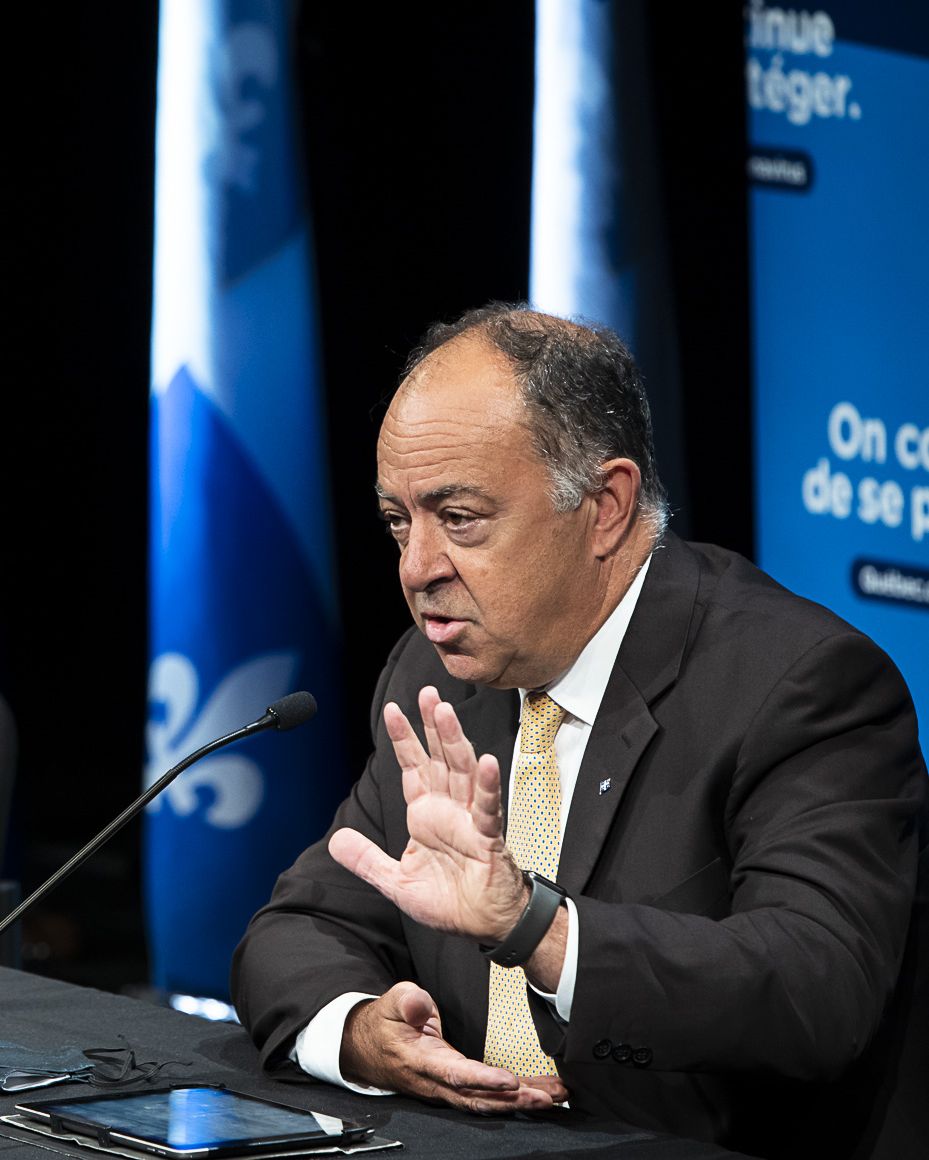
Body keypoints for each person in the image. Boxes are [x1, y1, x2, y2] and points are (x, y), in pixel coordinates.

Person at [232, 305, 925, 1156]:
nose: (417, 569)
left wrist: (536, 927)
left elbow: (817, 991)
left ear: (605, 507)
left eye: (460, 518)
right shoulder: (435, 672)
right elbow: (296, 931)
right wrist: (366, 1035)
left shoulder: (800, 684)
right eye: (398, 521)